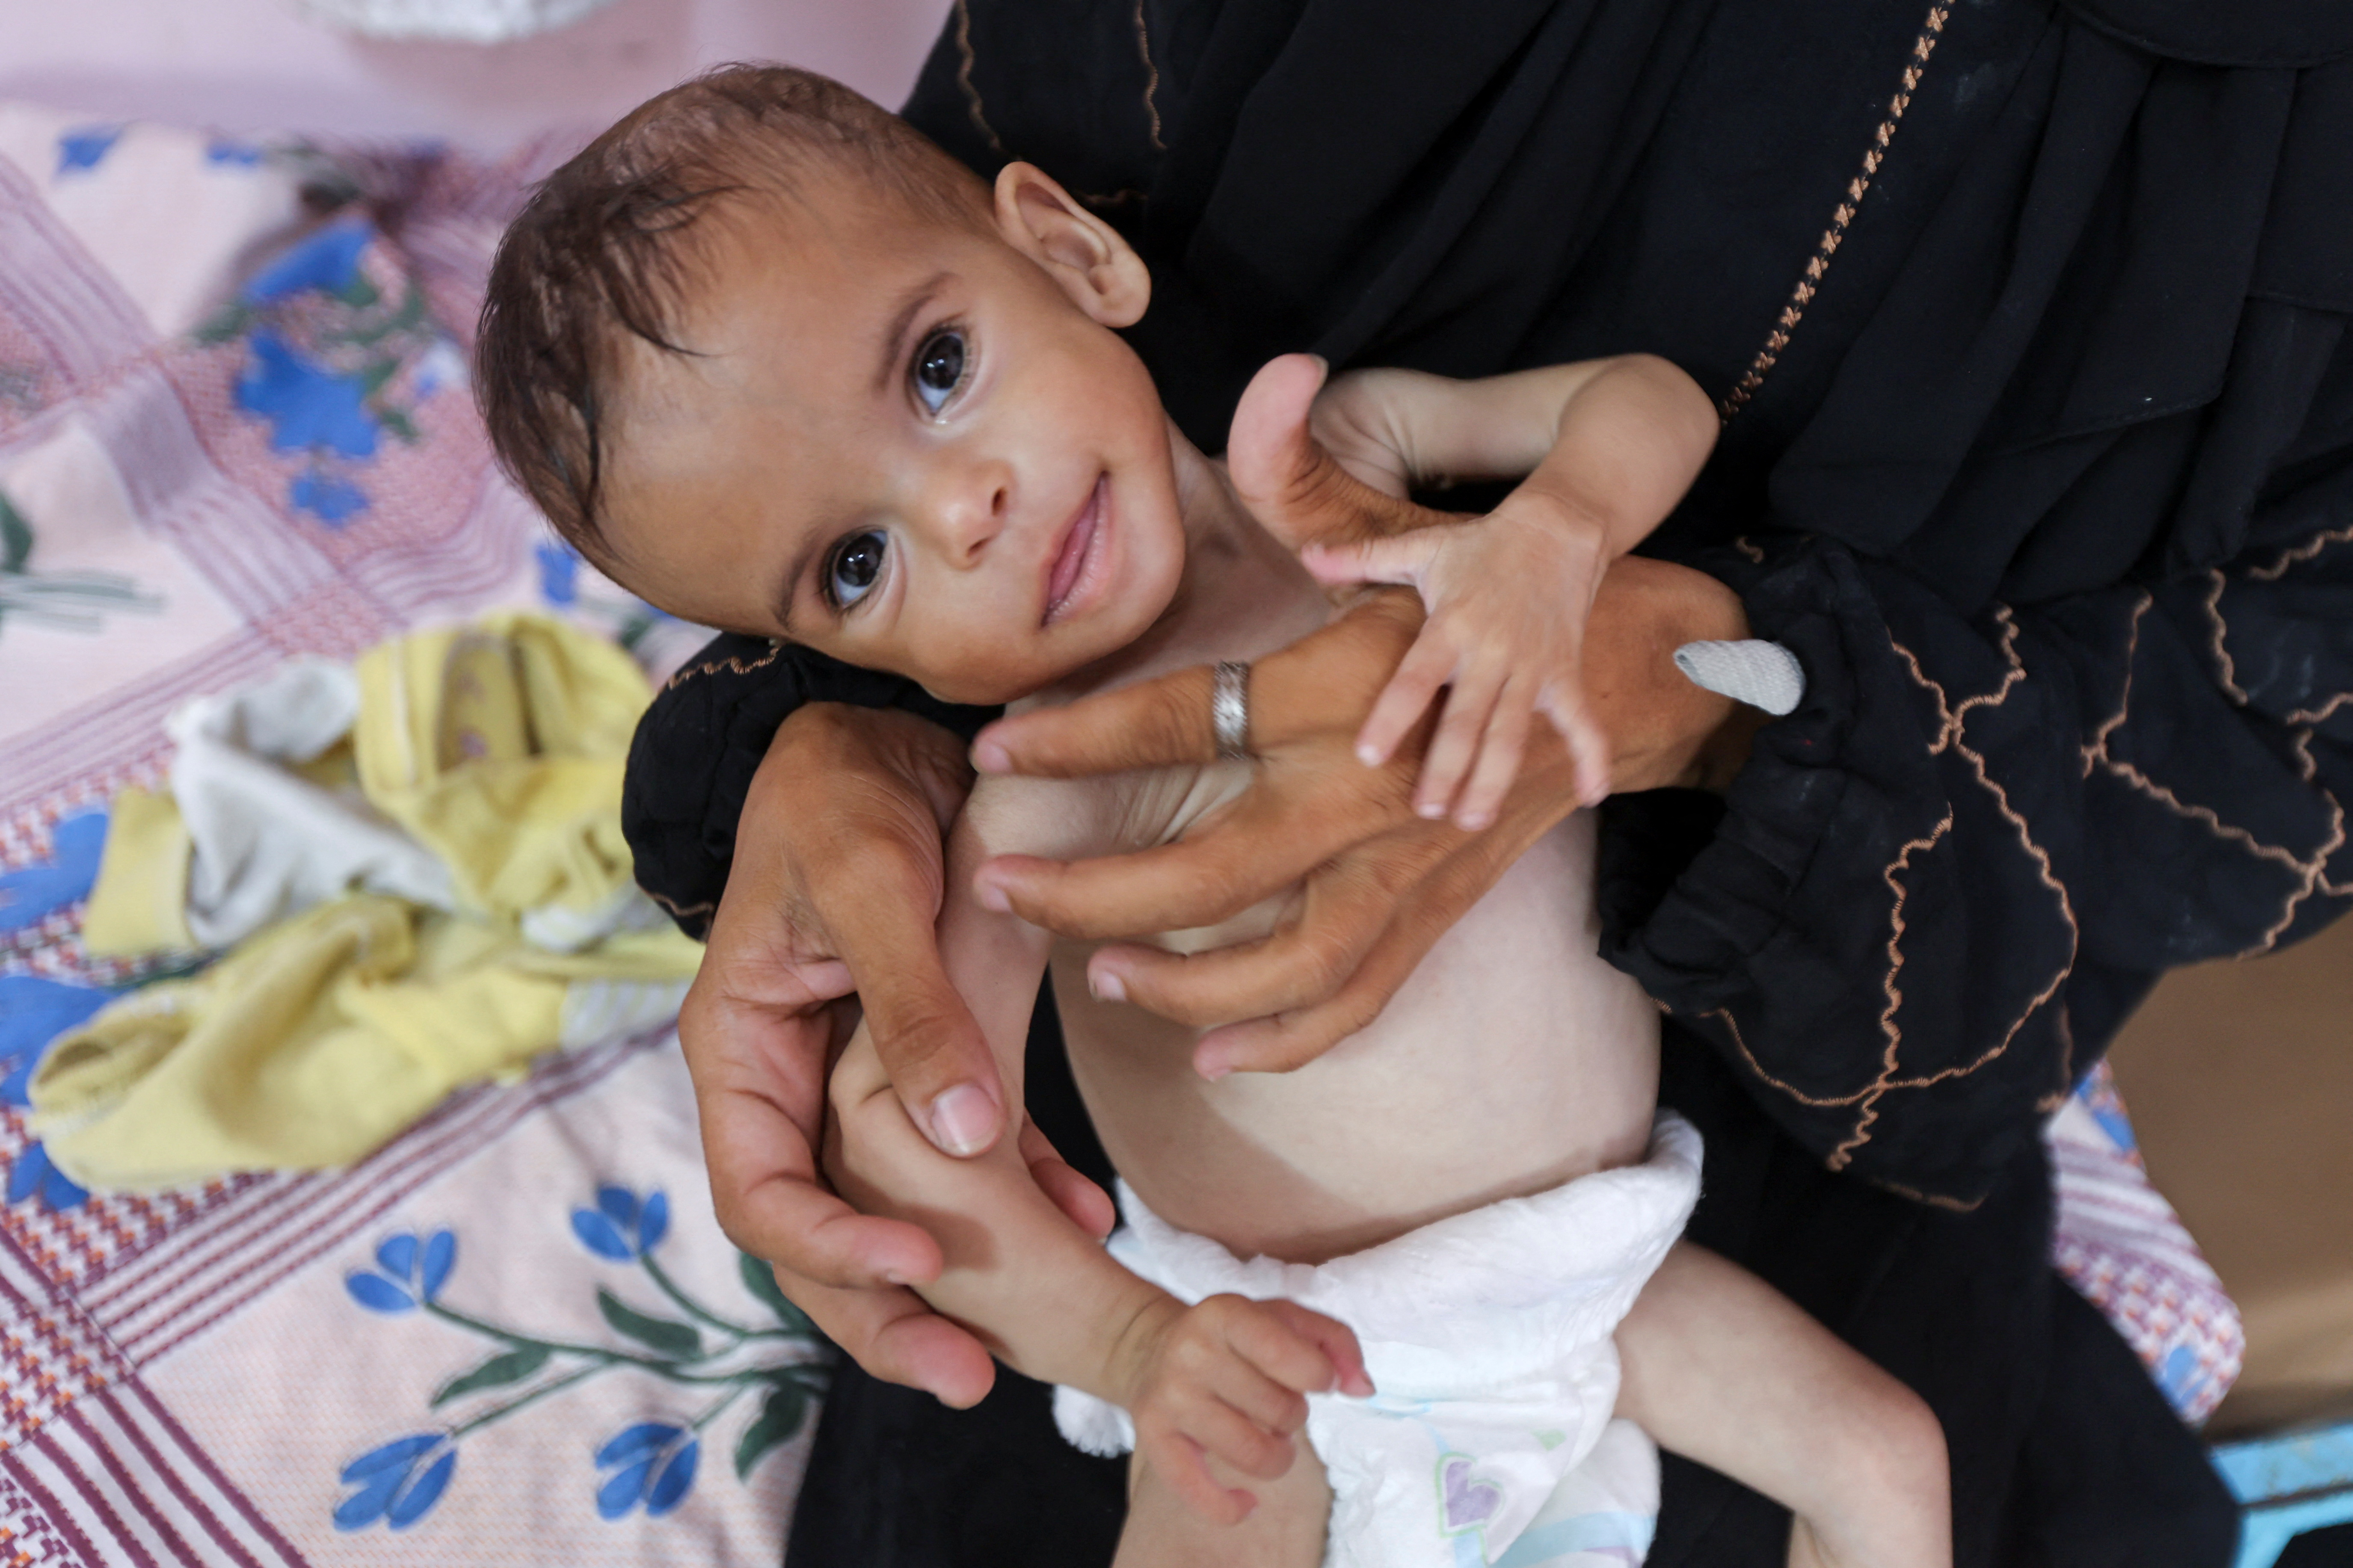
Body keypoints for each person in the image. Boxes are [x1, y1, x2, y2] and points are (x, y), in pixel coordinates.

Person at [572, 2, 2351, 1560]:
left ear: (1071, 251)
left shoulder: (1329, 443)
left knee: (1891, 1461)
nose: (956, 512)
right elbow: (934, 1133)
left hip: (1624, 1241)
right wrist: (1130, 1347)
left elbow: (1636, 402)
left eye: (943, 377)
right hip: (1284, 1331)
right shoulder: (1034, 783)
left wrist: (1601, 583)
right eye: (858, 570)